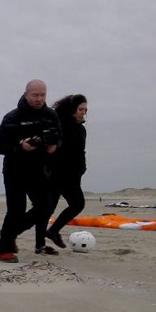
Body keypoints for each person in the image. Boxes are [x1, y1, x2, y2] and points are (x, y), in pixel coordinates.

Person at [0, 80, 60, 263]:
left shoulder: (50, 116)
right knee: (15, 210)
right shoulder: (12, 118)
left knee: (45, 207)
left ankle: (11, 232)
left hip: (39, 170)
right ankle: (5, 249)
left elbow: (57, 138)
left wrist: (53, 146)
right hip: (14, 170)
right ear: (26, 94)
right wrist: (19, 146)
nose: (39, 99)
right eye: (35, 95)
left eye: (43, 95)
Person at [45, 94, 89, 248]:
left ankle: (53, 231)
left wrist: (82, 168)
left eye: (85, 109)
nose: (83, 112)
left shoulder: (81, 129)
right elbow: (54, 151)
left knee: (47, 208)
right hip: (60, 174)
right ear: (71, 110)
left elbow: (80, 152)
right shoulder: (62, 126)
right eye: (80, 109)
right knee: (76, 204)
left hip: (74, 175)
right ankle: (53, 231)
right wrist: (49, 169)